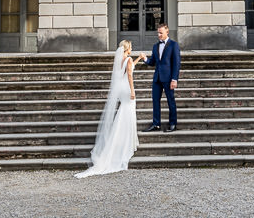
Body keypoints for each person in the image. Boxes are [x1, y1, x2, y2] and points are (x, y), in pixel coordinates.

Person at [75, 40, 143, 177]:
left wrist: (139, 58)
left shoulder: (121, 60)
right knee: (128, 113)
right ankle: (126, 141)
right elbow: (129, 75)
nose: (132, 48)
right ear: (128, 48)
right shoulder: (128, 59)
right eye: (131, 47)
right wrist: (133, 90)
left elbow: (128, 68)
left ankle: (123, 139)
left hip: (121, 90)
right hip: (127, 89)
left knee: (124, 111)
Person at [145, 23, 180, 132]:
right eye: (158, 33)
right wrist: (145, 59)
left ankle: (173, 123)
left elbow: (176, 63)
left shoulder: (174, 45)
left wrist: (174, 79)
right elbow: (152, 62)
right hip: (157, 79)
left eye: (161, 32)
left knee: (171, 101)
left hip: (169, 78)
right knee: (155, 101)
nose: (159, 35)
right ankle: (156, 124)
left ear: (167, 32)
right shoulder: (155, 46)